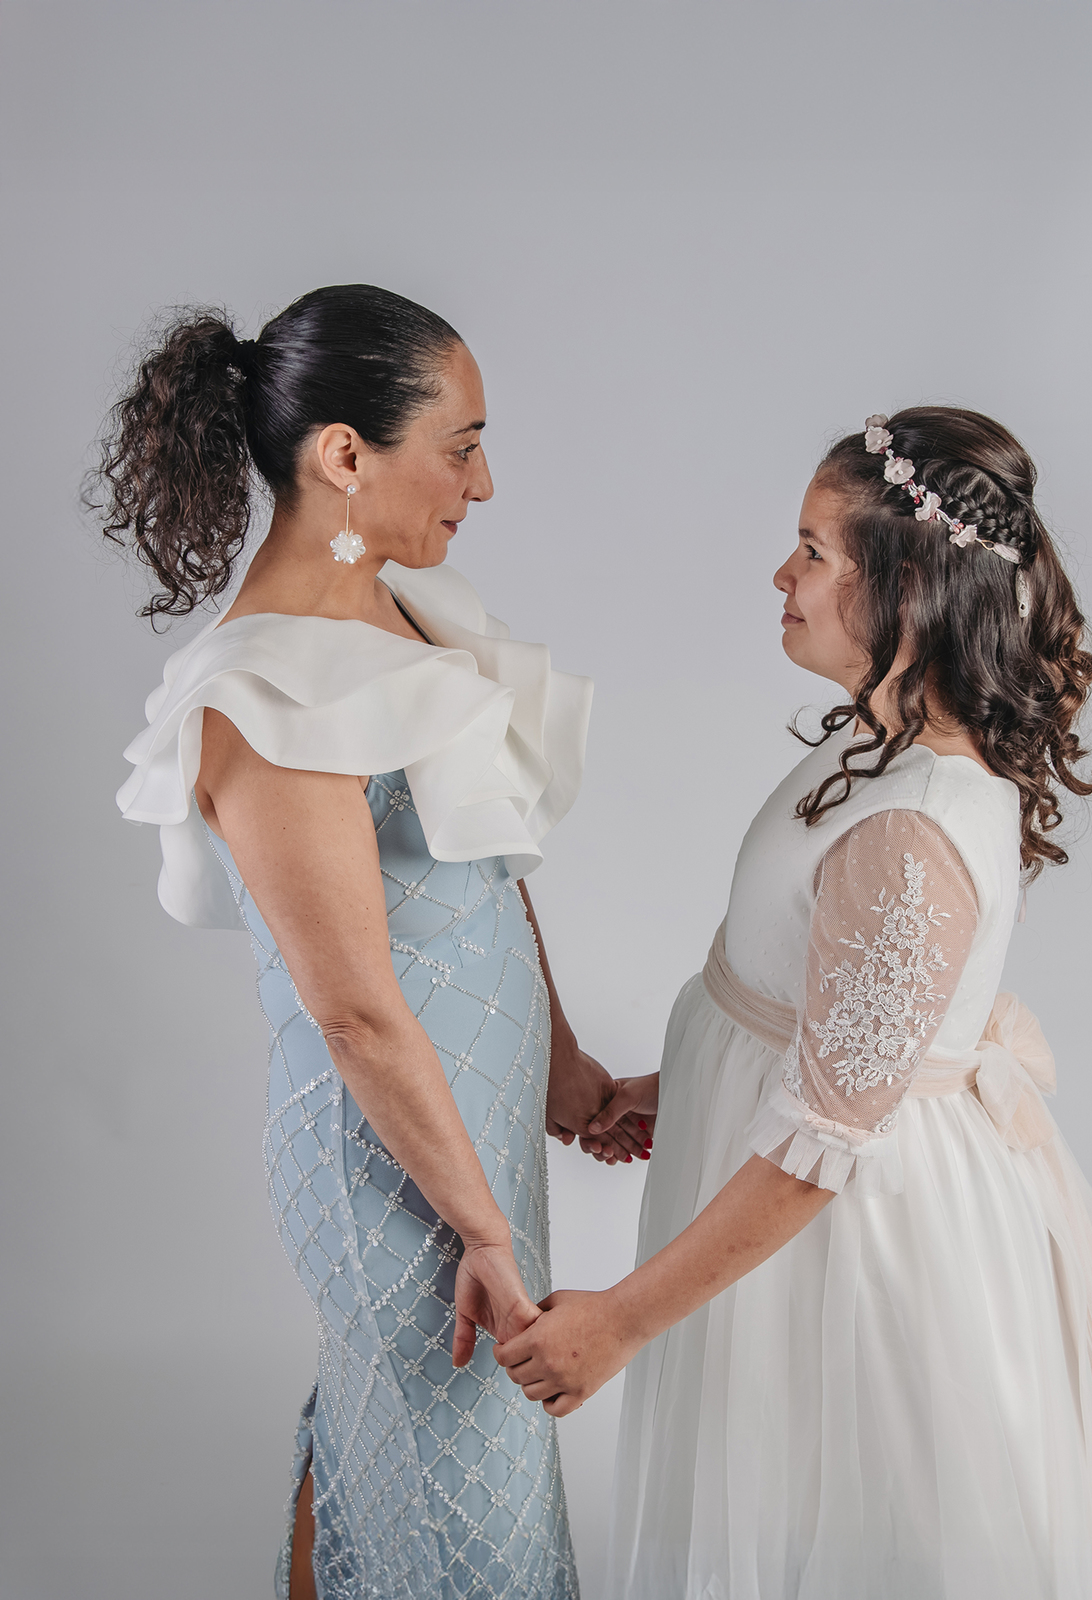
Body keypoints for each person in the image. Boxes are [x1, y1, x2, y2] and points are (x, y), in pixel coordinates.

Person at [495, 407, 1092, 1598]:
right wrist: (677, 1087)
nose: (783, 574)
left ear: (909, 588)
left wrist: (616, 1320)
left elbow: (824, 1139)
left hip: (850, 1246)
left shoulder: (912, 825)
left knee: (850, 1509)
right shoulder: (878, 742)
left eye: (815, 551)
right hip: (794, 1181)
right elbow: (833, 1016)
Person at [97, 285, 645, 1600]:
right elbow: (351, 1009)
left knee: (405, 1460)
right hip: (392, 1168)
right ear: (345, 454)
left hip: (473, 1138)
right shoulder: (262, 693)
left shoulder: (406, 612)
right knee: (463, 1496)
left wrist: (563, 1063)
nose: (483, 483)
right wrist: (486, 1233)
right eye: (460, 446)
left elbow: (481, 853)